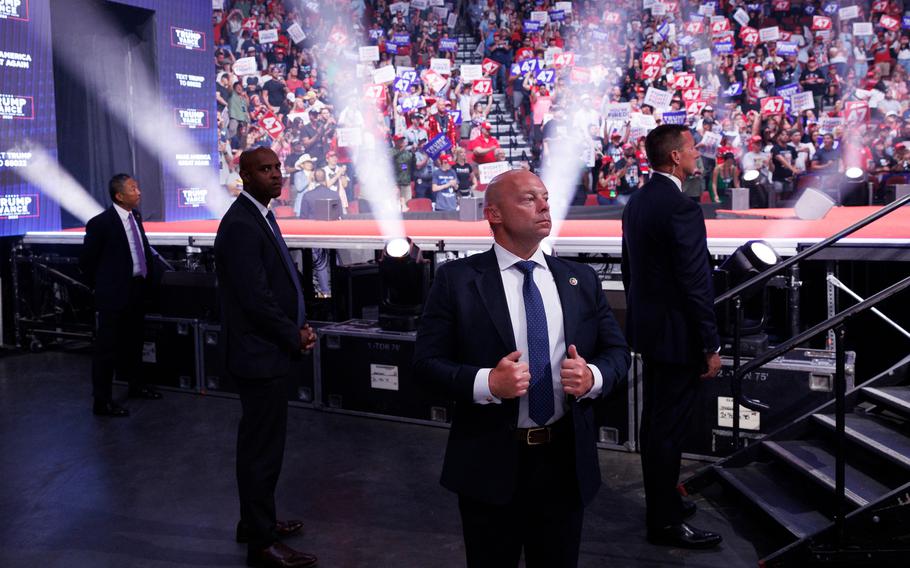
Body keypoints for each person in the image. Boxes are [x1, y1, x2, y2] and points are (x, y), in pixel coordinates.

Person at [414, 169, 630, 567]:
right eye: (529, 199)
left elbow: (618, 353)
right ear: (493, 213)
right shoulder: (456, 280)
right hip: (489, 464)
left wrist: (593, 377)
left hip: (565, 463)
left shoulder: (579, 279)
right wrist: (488, 383)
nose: (544, 205)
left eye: (545, 197)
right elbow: (425, 365)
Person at [214, 148, 318, 568]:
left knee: (263, 445)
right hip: (259, 354)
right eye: (265, 169)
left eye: (277, 167)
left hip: (267, 349)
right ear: (244, 175)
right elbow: (256, 300)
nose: (276, 175)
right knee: (261, 450)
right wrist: (293, 336)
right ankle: (261, 541)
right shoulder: (241, 224)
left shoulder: (258, 215)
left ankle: (257, 522)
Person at [621, 124, 723, 550]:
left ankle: (666, 506)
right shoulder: (681, 207)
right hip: (679, 337)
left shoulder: (637, 202)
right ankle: (663, 522)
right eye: (693, 148)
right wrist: (711, 343)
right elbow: (695, 281)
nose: (698, 154)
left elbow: (630, 270)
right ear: (676, 157)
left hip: (650, 331)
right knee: (667, 432)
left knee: (656, 426)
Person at [80, 174, 163, 417]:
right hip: (114, 295)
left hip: (137, 289)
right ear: (119, 196)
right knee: (107, 348)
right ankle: (102, 400)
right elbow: (86, 262)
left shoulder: (135, 216)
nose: (139, 192)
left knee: (135, 341)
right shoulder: (101, 224)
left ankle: (136, 386)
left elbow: (143, 249)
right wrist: (103, 286)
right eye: (133, 188)